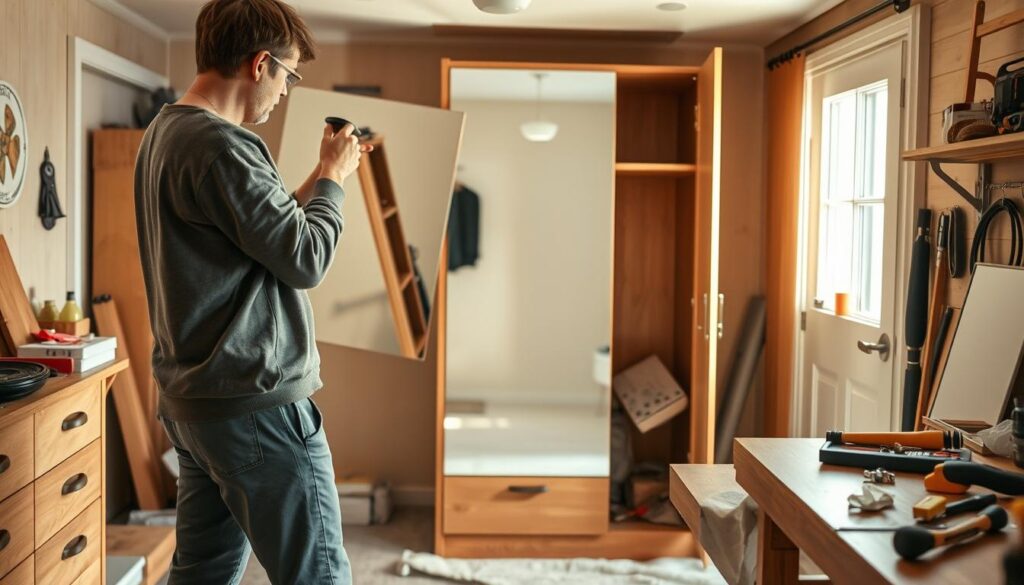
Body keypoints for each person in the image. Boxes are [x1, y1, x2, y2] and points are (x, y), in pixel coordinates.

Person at [134, 1, 368, 583]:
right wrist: (335, 184)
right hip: (254, 402)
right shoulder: (223, 145)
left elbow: (263, 229)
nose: (285, 91)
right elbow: (305, 258)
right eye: (288, 75)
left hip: (197, 405)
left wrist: (322, 173)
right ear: (259, 63)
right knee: (317, 573)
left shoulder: (165, 133)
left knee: (203, 574)